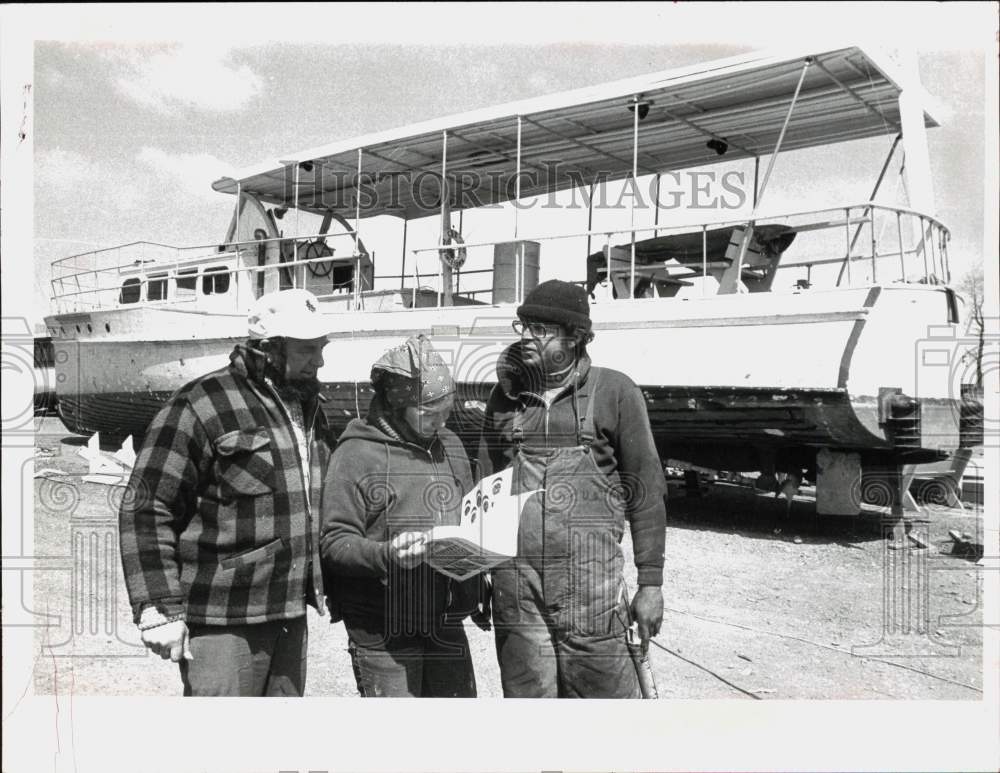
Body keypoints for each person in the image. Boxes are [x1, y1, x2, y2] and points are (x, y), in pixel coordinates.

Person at [118, 288, 336, 696]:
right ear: (270, 348)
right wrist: (158, 608)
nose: (319, 360)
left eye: (321, 347)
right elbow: (147, 507)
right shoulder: (201, 403)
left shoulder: (307, 406)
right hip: (222, 620)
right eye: (308, 350)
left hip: (288, 612)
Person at [477, 279, 667, 698]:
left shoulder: (614, 392)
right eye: (523, 325)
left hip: (591, 596)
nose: (526, 336)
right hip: (518, 592)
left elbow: (647, 493)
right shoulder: (505, 398)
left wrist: (650, 583)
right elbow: (486, 487)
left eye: (540, 329)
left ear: (576, 337)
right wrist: (480, 569)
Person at [320, 334, 481, 698]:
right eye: (430, 412)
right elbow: (334, 542)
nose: (441, 421)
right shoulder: (356, 454)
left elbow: (470, 515)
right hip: (383, 628)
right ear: (396, 406)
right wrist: (386, 555)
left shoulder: (451, 446)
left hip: (445, 620)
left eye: (447, 410)